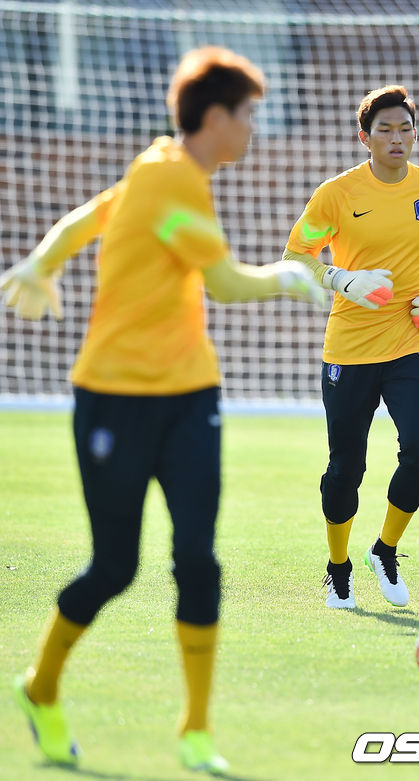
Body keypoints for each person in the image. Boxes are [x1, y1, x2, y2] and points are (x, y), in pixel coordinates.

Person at [0, 46, 325, 774]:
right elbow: (225, 284)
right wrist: (286, 277)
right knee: (114, 567)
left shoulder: (161, 173)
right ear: (215, 117)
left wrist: (42, 262)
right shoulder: (170, 179)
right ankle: (41, 687)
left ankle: (196, 731)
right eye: (248, 115)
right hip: (113, 398)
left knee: (198, 562)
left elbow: (89, 217)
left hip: (189, 399)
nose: (254, 128)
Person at [283, 85, 419, 610]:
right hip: (350, 348)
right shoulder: (337, 194)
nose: (397, 138)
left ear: (415, 134)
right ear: (365, 138)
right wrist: (341, 279)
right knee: (345, 469)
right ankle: (338, 567)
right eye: (385, 129)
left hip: (410, 340)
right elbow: (297, 255)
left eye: (405, 128)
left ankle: (385, 549)